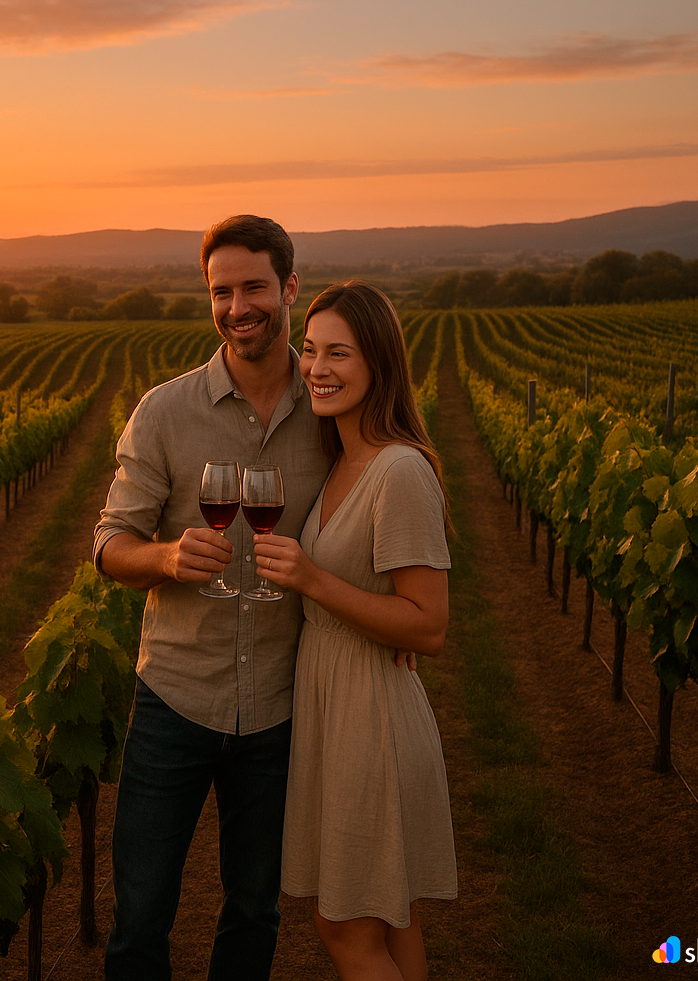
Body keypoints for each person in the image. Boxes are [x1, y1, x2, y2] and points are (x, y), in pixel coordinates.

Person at [94, 215, 333, 978]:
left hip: (281, 705)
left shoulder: (333, 412)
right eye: (221, 292)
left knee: (255, 910)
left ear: (289, 288)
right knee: (140, 917)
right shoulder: (165, 413)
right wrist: (166, 557)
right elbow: (110, 543)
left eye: (253, 287)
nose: (237, 308)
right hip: (176, 699)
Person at [254, 281, 457, 981]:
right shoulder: (343, 458)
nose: (317, 368)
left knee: (343, 923)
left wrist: (312, 579)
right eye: (310, 350)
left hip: (370, 717)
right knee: (390, 916)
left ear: (379, 361)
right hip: (337, 704)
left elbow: (429, 625)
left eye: (338, 353)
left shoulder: (399, 470)